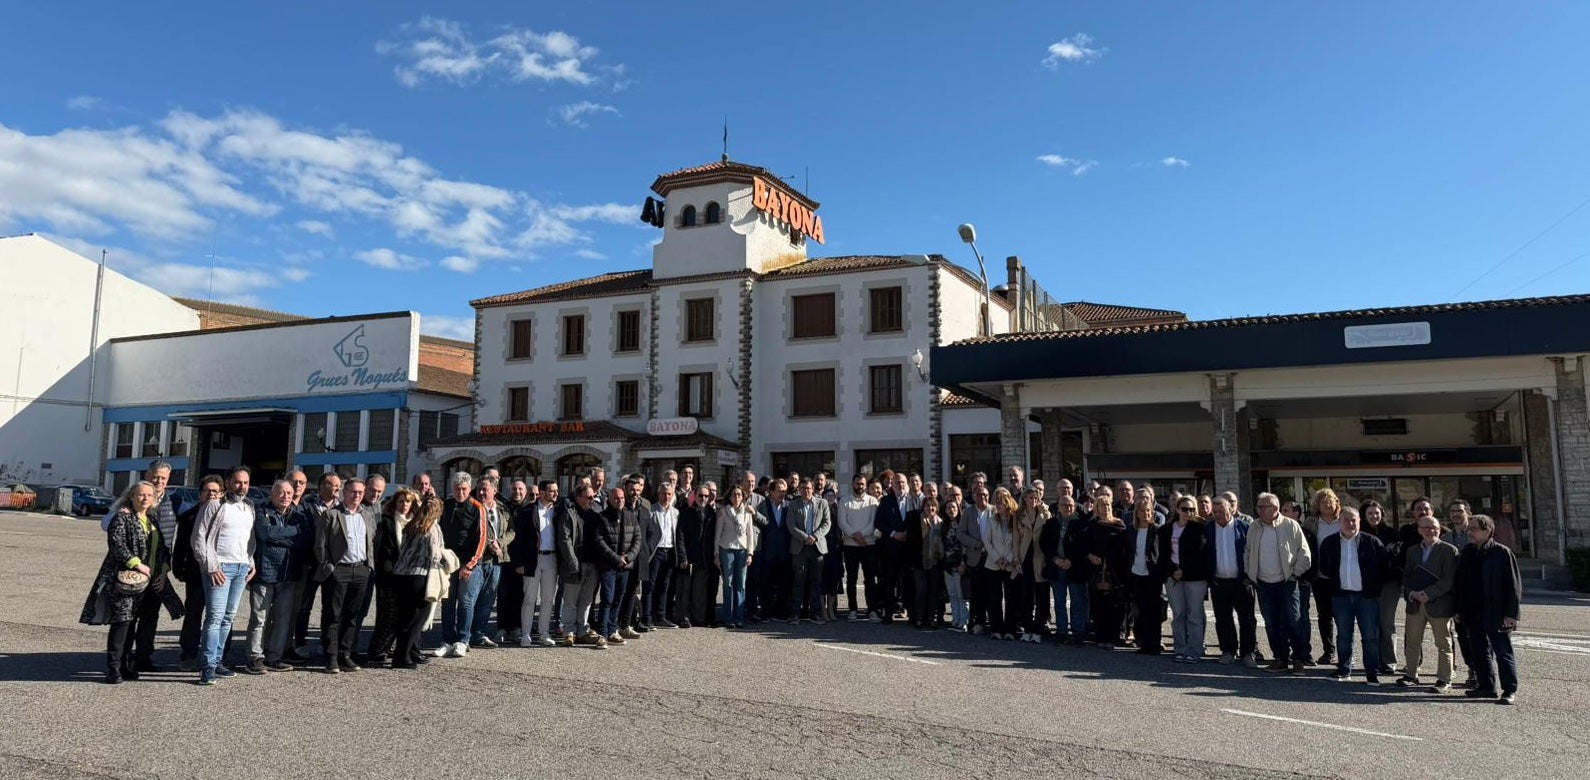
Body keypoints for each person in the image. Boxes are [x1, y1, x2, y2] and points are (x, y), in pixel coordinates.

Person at [80, 480, 178, 683]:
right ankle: (113, 667)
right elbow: (116, 544)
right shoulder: (122, 517)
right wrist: (136, 564)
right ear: (131, 497)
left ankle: (126, 665)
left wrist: (163, 571)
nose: (145, 498)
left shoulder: (152, 521)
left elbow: (162, 550)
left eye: (149, 495)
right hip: (126, 580)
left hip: (150, 582)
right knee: (123, 622)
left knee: (136, 622)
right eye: (140, 495)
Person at [190, 466, 258, 685]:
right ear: (228, 482)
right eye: (238, 482)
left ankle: (218, 661)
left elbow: (248, 539)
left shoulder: (249, 507)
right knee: (214, 618)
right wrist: (211, 567)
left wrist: (250, 562)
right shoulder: (214, 505)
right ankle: (207, 667)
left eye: (246, 483)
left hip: (240, 568)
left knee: (228, 618)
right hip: (219, 569)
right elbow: (198, 539)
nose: (242, 487)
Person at [245, 479, 313, 673]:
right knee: (259, 618)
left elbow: (305, 539)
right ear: (272, 495)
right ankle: (254, 657)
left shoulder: (298, 515)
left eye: (289, 494)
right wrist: (292, 534)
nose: (286, 497)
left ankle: (275, 656)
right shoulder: (261, 511)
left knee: (283, 619)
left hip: (289, 574)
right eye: (281, 493)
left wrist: (282, 537)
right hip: (265, 573)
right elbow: (265, 533)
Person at [1455, 514, 1522, 704]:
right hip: (1472, 611)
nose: (1470, 532)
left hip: (1497, 612)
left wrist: (1511, 614)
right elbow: (1460, 583)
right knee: (1479, 651)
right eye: (1470, 528)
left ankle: (1509, 690)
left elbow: (1513, 585)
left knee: (1503, 652)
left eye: (1475, 528)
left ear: (1488, 531)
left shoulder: (1502, 553)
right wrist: (1459, 609)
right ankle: (1486, 686)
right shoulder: (1467, 552)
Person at [1316, 507, 1388, 685]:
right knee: (1344, 635)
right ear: (1340, 522)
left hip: (1367, 597)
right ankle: (1344, 669)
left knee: (1370, 635)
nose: (1350, 523)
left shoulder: (1372, 542)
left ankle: (1371, 672)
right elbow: (1324, 567)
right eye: (1346, 520)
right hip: (1341, 596)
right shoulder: (1329, 542)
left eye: (1353, 520)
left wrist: (1373, 586)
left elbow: (1384, 567)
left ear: (1359, 521)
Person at [313, 478, 374, 674]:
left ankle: (345, 653)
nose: (357, 496)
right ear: (344, 493)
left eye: (360, 492)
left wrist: (368, 567)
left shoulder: (367, 515)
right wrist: (329, 567)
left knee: (352, 615)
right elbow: (320, 545)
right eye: (353, 492)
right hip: (339, 570)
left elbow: (371, 542)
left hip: (361, 570)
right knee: (333, 614)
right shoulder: (331, 514)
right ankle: (330, 656)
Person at [1247, 492, 1312, 674]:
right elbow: (1248, 551)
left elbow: (1304, 554)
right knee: (1272, 623)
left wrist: (1294, 574)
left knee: (1294, 620)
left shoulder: (1290, 526)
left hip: (1287, 583)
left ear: (1275, 509)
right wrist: (1251, 573)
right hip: (1263, 584)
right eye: (1258, 507)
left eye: (1263, 507)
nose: (1259, 510)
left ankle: (1299, 659)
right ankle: (1280, 658)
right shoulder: (1254, 527)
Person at [1399, 511, 1461, 692]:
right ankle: (1411, 675)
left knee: (1443, 644)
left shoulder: (1450, 550)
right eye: (1425, 528)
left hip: (1439, 604)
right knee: (1412, 641)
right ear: (1419, 530)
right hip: (1415, 604)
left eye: (1433, 527)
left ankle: (1444, 679)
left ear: (1439, 529)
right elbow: (1407, 576)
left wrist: (1429, 593)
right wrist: (1412, 593)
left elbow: (1449, 579)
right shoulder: (1412, 551)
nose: (1429, 531)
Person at [172, 476, 225, 670]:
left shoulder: (227, 515)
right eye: (207, 491)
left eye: (215, 491)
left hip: (221, 575)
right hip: (195, 574)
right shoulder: (189, 515)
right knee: (193, 613)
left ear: (221, 494)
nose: (211, 494)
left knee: (219, 615)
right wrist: (177, 566)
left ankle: (219, 655)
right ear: (200, 494)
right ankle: (188, 654)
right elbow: (181, 544)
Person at [388, 496, 444, 668]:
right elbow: (435, 555)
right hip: (419, 575)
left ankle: (411, 652)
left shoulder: (410, 525)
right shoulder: (432, 528)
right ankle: (402, 657)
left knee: (403, 617)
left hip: (400, 574)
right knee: (415, 620)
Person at [437, 472, 487, 658]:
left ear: (469, 488)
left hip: (469, 563)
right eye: (457, 489)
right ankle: (447, 640)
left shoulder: (477, 508)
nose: (461, 492)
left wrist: (471, 565)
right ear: (452, 488)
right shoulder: (446, 506)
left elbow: (482, 539)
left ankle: (463, 640)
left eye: (464, 489)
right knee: (447, 602)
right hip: (448, 562)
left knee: (465, 603)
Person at [1206, 496, 1258, 666]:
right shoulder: (1208, 529)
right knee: (1223, 619)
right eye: (1215, 512)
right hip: (1219, 582)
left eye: (1222, 511)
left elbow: (1253, 553)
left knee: (1247, 619)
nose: (1218, 515)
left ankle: (1248, 653)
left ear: (1231, 510)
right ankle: (1228, 651)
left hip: (1241, 582)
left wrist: (1250, 576)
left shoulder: (1244, 527)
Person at [510, 480, 563, 646]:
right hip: (532, 559)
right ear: (541, 492)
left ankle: (544, 633)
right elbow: (517, 539)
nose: (555, 494)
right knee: (529, 598)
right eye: (551, 491)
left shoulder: (559, 510)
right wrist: (518, 562)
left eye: (556, 490)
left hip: (552, 558)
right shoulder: (527, 511)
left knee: (548, 599)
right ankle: (526, 634)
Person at [587, 487, 640, 646]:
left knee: (618, 599)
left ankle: (612, 630)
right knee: (607, 599)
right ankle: (602, 633)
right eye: (616, 498)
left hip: (625, 566)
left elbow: (637, 539)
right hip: (609, 565)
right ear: (609, 499)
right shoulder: (602, 518)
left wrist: (628, 557)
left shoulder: (631, 516)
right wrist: (616, 558)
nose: (620, 500)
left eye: (622, 497)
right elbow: (599, 541)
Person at [1160, 494, 1211, 663]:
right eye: (1184, 509)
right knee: (1178, 614)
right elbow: (1163, 553)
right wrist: (1173, 570)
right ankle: (1179, 648)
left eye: (1191, 509)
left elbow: (1200, 554)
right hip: (1173, 576)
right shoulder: (1167, 529)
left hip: (1195, 577)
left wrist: (1185, 570)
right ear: (1177, 509)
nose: (1188, 512)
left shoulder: (1199, 527)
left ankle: (1194, 650)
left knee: (1194, 615)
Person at [556, 483, 605, 647]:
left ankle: (582, 630)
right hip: (574, 564)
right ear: (578, 498)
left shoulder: (596, 514)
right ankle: (569, 631)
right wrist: (572, 562)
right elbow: (565, 540)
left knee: (586, 600)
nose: (592, 500)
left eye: (593, 497)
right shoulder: (569, 514)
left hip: (593, 564)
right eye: (589, 497)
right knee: (570, 600)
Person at [1301, 488, 1344, 666]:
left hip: (1341, 576)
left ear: (1336, 503)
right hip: (1319, 576)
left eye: (1330, 500)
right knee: (1324, 615)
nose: (1327, 503)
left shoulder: (1342, 521)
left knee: (1343, 616)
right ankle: (1329, 651)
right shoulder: (1311, 522)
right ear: (1317, 505)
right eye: (1322, 501)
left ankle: (1345, 652)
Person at [465, 475, 510, 648]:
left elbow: (511, 530)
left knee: (487, 600)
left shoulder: (502, 509)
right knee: (471, 599)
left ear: (495, 491)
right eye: (479, 489)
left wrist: (501, 543)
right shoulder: (472, 508)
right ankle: (465, 636)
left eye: (485, 489)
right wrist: (492, 544)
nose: (482, 492)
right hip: (477, 560)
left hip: (496, 562)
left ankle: (479, 634)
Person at [1361, 499, 1403, 676]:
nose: (1374, 516)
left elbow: (1398, 557)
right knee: (1371, 625)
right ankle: (1373, 660)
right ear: (1364, 516)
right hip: (1367, 584)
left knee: (1387, 624)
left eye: (1377, 512)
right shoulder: (1359, 534)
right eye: (1370, 513)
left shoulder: (1392, 533)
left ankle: (1389, 661)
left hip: (1389, 584)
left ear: (1382, 514)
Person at [1124, 490, 1166, 655]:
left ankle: (1154, 644)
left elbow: (1161, 554)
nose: (1146, 513)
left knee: (1154, 611)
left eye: (1149, 511)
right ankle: (1142, 642)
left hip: (1152, 576)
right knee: (1140, 610)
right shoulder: (1130, 530)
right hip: (1136, 574)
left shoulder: (1158, 530)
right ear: (1137, 513)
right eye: (1143, 511)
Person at [1087, 486, 1128, 649]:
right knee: (1098, 606)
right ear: (1096, 508)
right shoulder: (1092, 525)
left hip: (1114, 571)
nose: (1105, 508)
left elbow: (1125, 549)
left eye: (1108, 505)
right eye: (1102, 506)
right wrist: (1090, 556)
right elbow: (1085, 546)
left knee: (1114, 606)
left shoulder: (1119, 525)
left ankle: (1113, 637)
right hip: (1096, 571)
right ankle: (1100, 637)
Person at [1008, 486, 1050, 642]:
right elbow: (1016, 540)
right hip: (1024, 558)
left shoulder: (1044, 513)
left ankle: (1038, 630)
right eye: (1030, 497)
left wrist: (1043, 508)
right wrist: (1016, 559)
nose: (1033, 500)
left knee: (1041, 595)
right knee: (1025, 595)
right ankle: (1027, 628)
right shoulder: (1018, 515)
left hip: (1040, 558)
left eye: (1036, 497)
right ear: (1024, 498)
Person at [786, 479, 832, 623]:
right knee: (798, 581)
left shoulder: (822, 503)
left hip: (817, 547)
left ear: (813, 489)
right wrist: (805, 537)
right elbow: (791, 525)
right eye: (803, 488)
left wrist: (815, 536)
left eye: (809, 488)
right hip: (800, 547)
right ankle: (795, 613)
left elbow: (827, 522)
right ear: (799, 489)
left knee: (816, 582)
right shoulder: (794, 504)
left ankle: (815, 613)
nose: (806, 491)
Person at [837, 474, 879, 620]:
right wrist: (856, 536)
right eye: (857, 484)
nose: (859, 486)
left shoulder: (872, 501)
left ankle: (872, 609)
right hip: (850, 545)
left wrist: (862, 536)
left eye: (862, 484)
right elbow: (842, 523)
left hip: (869, 544)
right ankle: (853, 609)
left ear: (865, 485)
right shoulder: (844, 501)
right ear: (852, 484)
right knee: (852, 578)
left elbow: (873, 522)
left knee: (869, 578)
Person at [716, 485, 759, 628]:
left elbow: (750, 533)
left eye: (739, 495)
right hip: (727, 549)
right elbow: (718, 533)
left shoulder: (746, 512)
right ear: (729, 497)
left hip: (742, 550)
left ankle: (739, 617)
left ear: (743, 497)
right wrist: (716, 553)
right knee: (728, 583)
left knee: (740, 584)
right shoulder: (723, 512)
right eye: (734, 495)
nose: (736, 497)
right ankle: (728, 617)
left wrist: (750, 553)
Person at [750, 479, 792, 622]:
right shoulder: (763, 505)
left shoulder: (788, 506)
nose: (782, 493)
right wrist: (755, 514)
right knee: (766, 583)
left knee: (783, 583)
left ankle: (781, 612)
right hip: (767, 550)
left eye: (784, 490)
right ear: (771, 492)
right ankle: (766, 612)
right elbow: (762, 522)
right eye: (779, 490)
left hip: (784, 551)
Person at [676, 484, 717, 628]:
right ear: (695, 496)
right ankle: (683, 617)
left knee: (699, 591)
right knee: (685, 589)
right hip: (689, 556)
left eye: (706, 496)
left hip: (704, 558)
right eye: (701, 495)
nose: (703, 498)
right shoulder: (687, 512)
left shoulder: (712, 513)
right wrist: (682, 556)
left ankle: (698, 617)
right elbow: (679, 536)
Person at [641, 484, 681, 630]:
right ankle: (647, 617)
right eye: (664, 494)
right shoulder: (651, 511)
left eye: (669, 494)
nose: (666, 497)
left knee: (665, 585)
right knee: (650, 585)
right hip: (655, 552)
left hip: (670, 551)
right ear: (659, 495)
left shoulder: (676, 512)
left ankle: (661, 616)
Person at [982, 487, 1019, 640]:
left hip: (1010, 564)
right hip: (994, 564)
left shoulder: (1015, 521)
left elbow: (1017, 542)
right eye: (996, 503)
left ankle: (1010, 629)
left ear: (1008, 503)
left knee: (1011, 597)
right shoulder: (992, 520)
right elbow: (987, 541)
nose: (998, 506)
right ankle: (996, 628)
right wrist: (997, 558)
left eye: (1001, 503)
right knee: (994, 597)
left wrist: (1008, 558)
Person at [1057, 494, 1094, 643]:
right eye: (1064, 505)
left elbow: (1083, 545)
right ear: (1059, 507)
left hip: (1076, 567)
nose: (1068, 507)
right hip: (1057, 567)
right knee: (1059, 602)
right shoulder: (1052, 522)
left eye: (1071, 505)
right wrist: (1056, 560)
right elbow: (1046, 544)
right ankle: (1062, 631)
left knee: (1077, 601)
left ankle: (1078, 632)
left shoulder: (1081, 523)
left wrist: (1070, 560)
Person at [874, 472, 911, 623]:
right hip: (891, 547)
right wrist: (894, 533)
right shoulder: (886, 501)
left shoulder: (913, 500)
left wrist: (908, 533)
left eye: (902, 482)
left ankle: (910, 612)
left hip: (909, 547)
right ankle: (888, 613)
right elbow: (878, 522)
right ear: (892, 485)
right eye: (897, 483)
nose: (900, 485)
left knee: (908, 581)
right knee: (889, 581)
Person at [903, 496, 945, 628]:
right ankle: (919, 617)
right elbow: (909, 542)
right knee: (921, 591)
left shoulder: (940, 523)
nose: (930, 508)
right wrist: (911, 561)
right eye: (928, 505)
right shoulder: (916, 521)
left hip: (935, 561)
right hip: (919, 561)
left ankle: (931, 617)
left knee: (933, 591)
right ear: (923, 507)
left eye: (933, 506)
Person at [959, 484, 990, 635]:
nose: (982, 497)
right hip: (975, 556)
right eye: (979, 495)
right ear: (974, 497)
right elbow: (961, 534)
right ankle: (976, 622)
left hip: (991, 557)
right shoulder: (968, 512)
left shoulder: (993, 510)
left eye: (985, 495)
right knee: (976, 593)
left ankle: (988, 622)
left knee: (990, 592)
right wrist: (975, 543)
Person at [940, 491, 969, 631]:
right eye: (948, 508)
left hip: (960, 564)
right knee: (952, 594)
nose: (951, 510)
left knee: (961, 594)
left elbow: (965, 545)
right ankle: (955, 620)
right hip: (948, 565)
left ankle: (964, 621)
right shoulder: (943, 526)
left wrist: (963, 563)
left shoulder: (962, 525)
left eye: (954, 507)